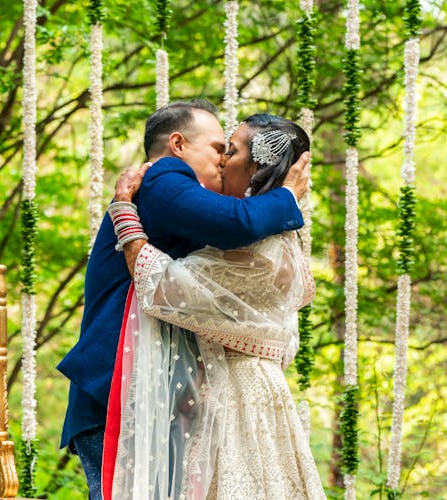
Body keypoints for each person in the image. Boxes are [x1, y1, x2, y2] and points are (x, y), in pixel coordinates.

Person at [57, 100, 311, 499]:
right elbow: (234, 224)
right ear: (177, 144)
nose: (224, 158)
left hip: (163, 397)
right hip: (116, 393)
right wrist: (287, 198)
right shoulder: (163, 178)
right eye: (217, 147)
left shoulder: (247, 231)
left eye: (230, 150)